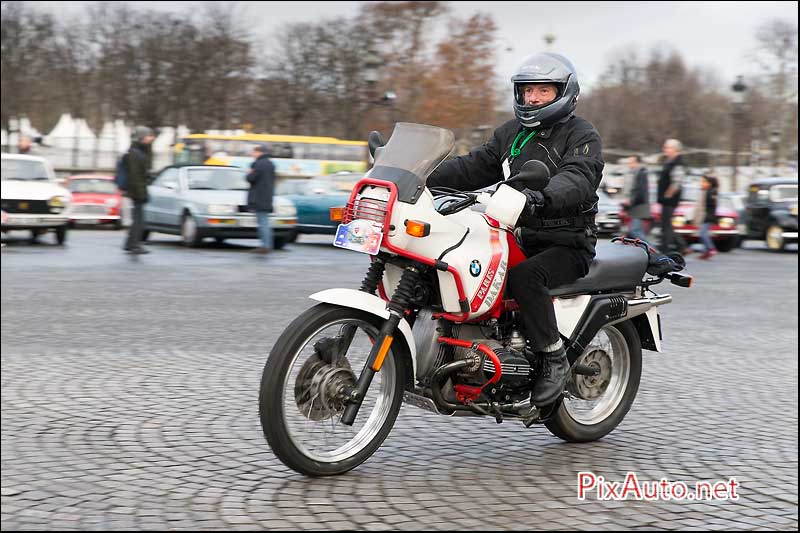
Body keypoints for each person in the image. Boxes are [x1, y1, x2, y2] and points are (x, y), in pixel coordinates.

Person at [426, 52, 603, 406]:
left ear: (564, 93)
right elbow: (472, 167)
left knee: (525, 277)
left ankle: (554, 358)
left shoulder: (581, 134)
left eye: (543, 90)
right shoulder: (511, 133)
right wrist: (421, 174)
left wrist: (540, 197)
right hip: (515, 235)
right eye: (527, 90)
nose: (533, 98)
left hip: (566, 242)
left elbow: (578, 177)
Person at [123, 126, 155, 254]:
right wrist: (141, 194)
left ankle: (130, 244)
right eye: (148, 136)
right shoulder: (135, 153)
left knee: (138, 219)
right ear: (141, 137)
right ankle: (135, 244)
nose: (151, 138)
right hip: (137, 191)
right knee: (139, 220)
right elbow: (136, 176)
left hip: (137, 190)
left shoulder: (139, 151)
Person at [657, 139, 688, 254]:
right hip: (666, 200)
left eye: (667, 147)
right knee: (667, 224)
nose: (665, 150)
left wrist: (667, 195)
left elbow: (677, 182)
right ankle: (681, 246)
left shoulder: (677, 163)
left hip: (670, 200)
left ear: (675, 149)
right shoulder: (670, 162)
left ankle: (666, 249)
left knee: (666, 226)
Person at [247, 144, 277, 255]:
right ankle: (267, 245)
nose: (252, 154)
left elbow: (251, 178)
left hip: (259, 197)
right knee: (265, 222)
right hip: (267, 196)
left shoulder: (259, 164)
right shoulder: (270, 164)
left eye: (253, 152)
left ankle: (265, 246)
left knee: (263, 223)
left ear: (259, 152)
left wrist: (249, 172)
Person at [623, 154, 650, 241]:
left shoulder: (641, 173)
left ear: (637, 163)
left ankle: (653, 250)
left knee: (635, 231)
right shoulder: (636, 173)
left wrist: (631, 202)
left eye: (631, 162)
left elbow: (640, 191)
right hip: (637, 205)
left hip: (639, 206)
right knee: (633, 232)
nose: (629, 164)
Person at [693, 174, 719, 260]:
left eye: (704, 182)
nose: (701, 183)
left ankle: (711, 249)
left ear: (710, 183)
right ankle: (706, 252)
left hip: (707, 216)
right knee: (703, 234)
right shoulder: (707, 191)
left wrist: (707, 216)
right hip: (706, 215)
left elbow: (709, 206)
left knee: (702, 234)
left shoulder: (711, 192)